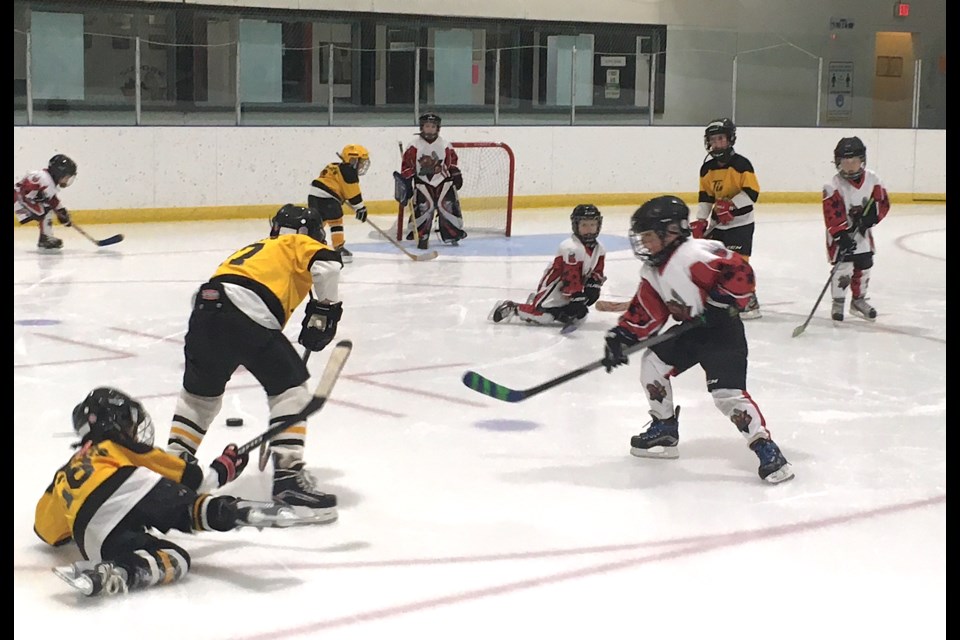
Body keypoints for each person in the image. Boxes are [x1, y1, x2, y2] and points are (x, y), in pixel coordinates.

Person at [35, 387, 325, 598]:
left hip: (91, 535)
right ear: (118, 424)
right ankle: (237, 511)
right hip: (125, 485)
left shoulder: (64, 474)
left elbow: (46, 531)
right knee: (186, 507)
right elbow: (194, 480)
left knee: (175, 558)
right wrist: (224, 467)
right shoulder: (117, 446)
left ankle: (116, 572)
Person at [601, 195, 794, 484]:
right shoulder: (653, 270)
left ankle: (765, 447)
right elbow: (647, 310)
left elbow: (741, 272)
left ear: (671, 233)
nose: (645, 245)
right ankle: (664, 428)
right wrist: (623, 336)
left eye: (650, 237)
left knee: (726, 396)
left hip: (722, 333)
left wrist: (720, 303)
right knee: (653, 363)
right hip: (692, 329)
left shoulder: (694, 255)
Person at [166, 203, 344, 514]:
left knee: (200, 396)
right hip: (247, 310)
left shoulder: (255, 248)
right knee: (291, 388)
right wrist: (325, 309)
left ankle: (174, 465)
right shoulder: (298, 243)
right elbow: (327, 265)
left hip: (205, 309)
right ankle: (289, 478)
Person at [489, 204, 606, 327]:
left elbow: (597, 271)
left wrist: (594, 286)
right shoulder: (570, 247)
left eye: (592, 225)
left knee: (572, 316)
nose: (589, 229)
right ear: (576, 225)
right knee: (545, 317)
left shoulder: (600, 249)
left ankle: (537, 302)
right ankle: (513, 307)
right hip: (555, 283)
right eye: (584, 225)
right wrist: (576, 297)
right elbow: (570, 276)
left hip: (571, 288)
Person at [691, 118, 762, 319]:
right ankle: (721, 299)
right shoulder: (707, 169)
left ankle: (749, 300)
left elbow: (752, 193)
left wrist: (731, 205)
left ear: (730, 140)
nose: (716, 144)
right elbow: (706, 196)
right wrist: (701, 220)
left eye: (721, 139)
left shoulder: (741, 165)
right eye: (713, 140)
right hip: (719, 224)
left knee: (739, 263)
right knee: (717, 261)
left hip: (741, 223)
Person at [823, 136, 890, 322]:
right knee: (843, 267)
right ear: (838, 162)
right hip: (840, 237)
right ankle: (838, 301)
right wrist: (841, 235)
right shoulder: (832, 186)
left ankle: (858, 300)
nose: (850, 164)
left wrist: (873, 217)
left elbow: (883, 202)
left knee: (865, 264)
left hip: (863, 236)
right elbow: (831, 213)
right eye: (845, 160)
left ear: (862, 160)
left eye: (854, 160)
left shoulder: (873, 179)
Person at [398, 112, 466, 249]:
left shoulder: (445, 144)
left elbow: (451, 162)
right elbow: (407, 165)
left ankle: (452, 233)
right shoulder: (414, 145)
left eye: (433, 126)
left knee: (447, 205)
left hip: (444, 181)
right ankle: (421, 234)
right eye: (427, 126)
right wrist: (408, 178)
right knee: (424, 207)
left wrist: (455, 173)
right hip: (422, 182)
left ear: (438, 128)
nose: (429, 129)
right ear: (422, 127)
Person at [308, 144, 371, 264]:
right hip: (327, 198)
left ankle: (312, 243)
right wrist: (360, 208)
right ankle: (338, 247)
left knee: (319, 221)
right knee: (336, 220)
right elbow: (353, 193)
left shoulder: (333, 166)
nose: (362, 165)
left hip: (314, 195)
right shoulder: (348, 171)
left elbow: (337, 184)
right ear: (353, 159)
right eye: (361, 162)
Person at [14, 154, 78, 250]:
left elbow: (51, 199)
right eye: (67, 176)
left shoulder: (47, 179)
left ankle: (45, 237)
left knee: (45, 210)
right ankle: (45, 239)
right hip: (19, 199)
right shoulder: (46, 180)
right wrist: (36, 197)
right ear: (59, 173)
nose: (67, 180)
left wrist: (61, 211)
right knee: (45, 211)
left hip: (20, 198)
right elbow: (27, 191)